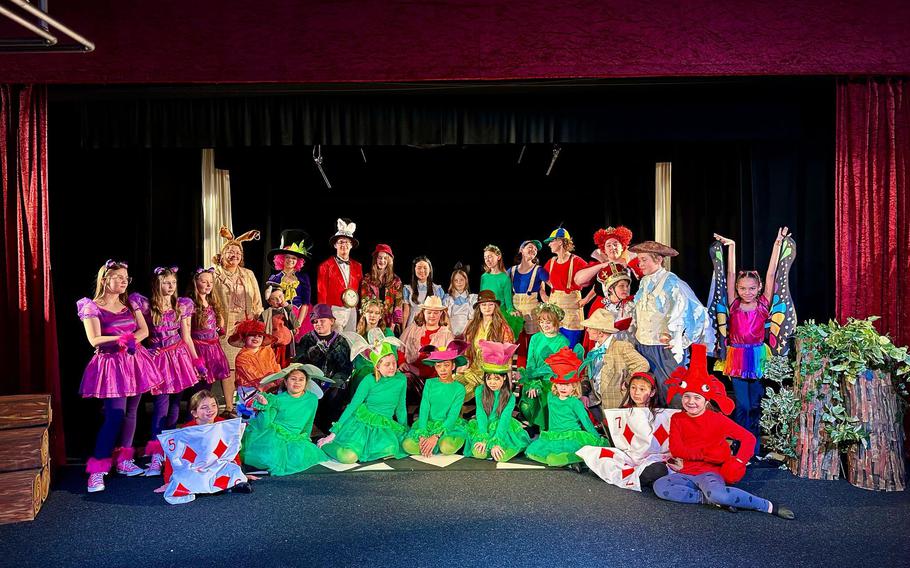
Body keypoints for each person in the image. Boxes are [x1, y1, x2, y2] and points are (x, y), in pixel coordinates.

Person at [653, 344, 794, 519]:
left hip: (710, 473)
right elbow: (677, 449)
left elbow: (748, 438)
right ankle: (705, 499)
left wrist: (738, 461)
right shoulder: (677, 419)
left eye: (697, 398)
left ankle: (766, 505)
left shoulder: (717, 419)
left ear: (706, 401)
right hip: (686, 471)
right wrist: (708, 454)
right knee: (660, 487)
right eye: (687, 396)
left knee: (718, 494)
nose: (691, 402)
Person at [77, 260, 163, 492]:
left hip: (134, 362)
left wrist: (132, 339)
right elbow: (94, 340)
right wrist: (122, 339)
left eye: (127, 277)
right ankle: (97, 470)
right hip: (111, 365)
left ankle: (124, 460)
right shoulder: (92, 307)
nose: (125, 281)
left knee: (132, 412)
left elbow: (144, 331)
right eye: (119, 277)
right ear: (105, 279)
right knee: (115, 415)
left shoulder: (129, 305)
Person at [712, 227, 790, 454]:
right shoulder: (733, 303)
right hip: (736, 356)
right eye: (743, 288)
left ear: (758, 289)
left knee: (756, 404)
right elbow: (730, 274)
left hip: (757, 356)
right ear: (737, 288)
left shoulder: (764, 303)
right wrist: (732, 247)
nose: (747, 292)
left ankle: (753, 447)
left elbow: (772, 274)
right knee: (742, 405)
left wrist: (777, 245)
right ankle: (740, 442)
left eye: (752, 288)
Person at [133, 267, 204, 476]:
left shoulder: (181, 305)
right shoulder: (146, 307)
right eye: (166, 282)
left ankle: (169, 451)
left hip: (179, 358)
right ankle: (156, 454)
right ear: (157, 284)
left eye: (173, 282)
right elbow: (139, 332)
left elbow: (187, 337)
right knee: (160, 408)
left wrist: (196, 362)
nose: (170, 286)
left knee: (175, 405)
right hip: (159, 358)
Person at [628, 240, 712, 406]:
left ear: (658, 259)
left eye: (644, 259)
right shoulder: (645, 282)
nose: (640, 264)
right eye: (639, 260)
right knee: (649, 392)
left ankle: (679, 427)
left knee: (672, 391)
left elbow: (697, 313)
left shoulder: (672, 282)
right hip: (643, 346)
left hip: (663, 349)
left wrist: (680, 339)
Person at [576, 372, 677, 491]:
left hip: (653, 458)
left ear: (652, 392)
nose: (636, 392)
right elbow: (618, 436)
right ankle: (642, 478)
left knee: (659, 469)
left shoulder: (662, 414)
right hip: (628, 457)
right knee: (592, 453)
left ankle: (637, 478)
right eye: (633, 388)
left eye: (642, 389)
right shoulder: (624, 411)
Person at [318, 340, 408, 464]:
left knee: (392, 449)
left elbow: (401, 407)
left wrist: (404, 428)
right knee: (349, 457)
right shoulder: (369, 380)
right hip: (362, 424)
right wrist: (334, 432)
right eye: (387, 364)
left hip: (384, 425)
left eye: (394, 363)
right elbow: (353, 406)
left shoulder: (401, 379)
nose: (392, 367)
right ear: (377, 366)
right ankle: (324, 445)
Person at [525, 347, 610, 468]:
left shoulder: (575, 402)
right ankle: (571, 462)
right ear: (555, 384)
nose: (563, 388)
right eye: (560, 384)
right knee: (532, 452)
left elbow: (585, 421)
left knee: (558, 457)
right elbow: (542, 388)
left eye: (567, 385)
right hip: (554, 435)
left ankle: (573, 460)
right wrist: (535, 386)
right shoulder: (551, 397)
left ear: (574, 386)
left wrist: (596, 438)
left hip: (572, 436)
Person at [241, 364, 332, 475]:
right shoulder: (277, 399)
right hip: (274, 436)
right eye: (293, 379)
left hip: (296, 437)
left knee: (301, 456)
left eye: (301, 379)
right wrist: (265, 408)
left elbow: (309, 421)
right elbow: (265, 425)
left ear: (306, 382)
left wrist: (306, 439)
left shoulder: (312, 399)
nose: (297, 382)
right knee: (272, 459)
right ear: (285, 382)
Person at [212, 226, 263, 415]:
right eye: (230, 251)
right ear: (222, 254)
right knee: (229, 367)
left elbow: (256, 298)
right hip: (225, 323)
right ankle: (230, 406)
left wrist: (257, 322)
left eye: (238, 252)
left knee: (247, 363)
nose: (234, 254)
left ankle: (247, 403)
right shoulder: (215, 273)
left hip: (246, 322)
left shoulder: (248, 274)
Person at [157, 390, 249, 495]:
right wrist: (168, 481)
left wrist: (239, 468)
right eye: (204, 407)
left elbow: (232, 449)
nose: (210, 410)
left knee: (233, 469)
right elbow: (173, 457)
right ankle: (224, 486)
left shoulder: (223, 425)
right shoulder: (186, 431)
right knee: (188, 476)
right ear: (194, 413)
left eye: (213, 405)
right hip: (197, 468)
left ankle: (233, 483)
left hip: (218, 465)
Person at [463, 341, 530, 462]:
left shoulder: (509, 396)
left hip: (502, 427)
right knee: (479, 453)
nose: (492, 383)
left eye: (497, 378)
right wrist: (483, 437)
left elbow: (504, 419)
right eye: (489, 378)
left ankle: (512, 447)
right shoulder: (479, 391)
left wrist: (497, 442)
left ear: (504, 378)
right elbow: (481, 414)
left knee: (501, 456)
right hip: (484, 425)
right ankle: (488, 447)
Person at [402, 341, 468, 457]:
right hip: (429, 424)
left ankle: (435, 444)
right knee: (407, 445)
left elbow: (452, 416)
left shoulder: (459, 388)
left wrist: (435, 436)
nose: (442, 370)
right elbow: (424, 408)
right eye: (438, 366)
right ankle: (429, 446)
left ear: (453, 366)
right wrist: (422, 434)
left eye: (446, 365)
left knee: (447, 447)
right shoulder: (430, 383)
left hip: (448, 426)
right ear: (435, 367)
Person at [297, 304, 354, 433]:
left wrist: (335, 382)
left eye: (322, 321)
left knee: (335, 395)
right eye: (315, 322)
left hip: (333, 383)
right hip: (311, 381)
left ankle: (331, 432)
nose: (318, 324)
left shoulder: (341, 341)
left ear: (332, 321)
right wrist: (314, 352)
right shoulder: (307, 339)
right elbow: (299, 363)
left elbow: (346, 367)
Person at [579, 309, 649, 413]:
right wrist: (584, 394)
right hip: (597, 405)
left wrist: (628, 382)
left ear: (600, 332)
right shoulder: (594, 351)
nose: (587, 330)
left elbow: (643, 365)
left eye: (590, 327)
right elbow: (586, 375)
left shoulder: (621, 347)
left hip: (618, 404)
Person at [518, 303, 572, 431]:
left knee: (546, 400)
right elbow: (530, 362)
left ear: (556, 323)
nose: (544, 325)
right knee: (526, 404)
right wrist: (532, 382)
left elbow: (556, 368)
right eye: (542, 322)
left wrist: (540, 382)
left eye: (548, 322)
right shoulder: (535, 338)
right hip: (534, 378)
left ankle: (545, 426)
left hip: (551, 381)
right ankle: (532, 423)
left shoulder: (563, 341)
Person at [541, 227, 595, 348]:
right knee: (554, 347)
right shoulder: (551, 262)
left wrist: (586, 299)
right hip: (554, 310)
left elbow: (598, 280)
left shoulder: (577, 261)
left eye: (551, 241)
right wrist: (543, 294)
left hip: (572, 313)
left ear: (560, 241)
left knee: (569, 348)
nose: (549, 244)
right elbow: (540, 278)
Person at [458, 290, 515, 399]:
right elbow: (468, 351)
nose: (487, 307)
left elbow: (508, 356)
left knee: (462, 393)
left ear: (495, 306)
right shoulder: (472, 326)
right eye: (483, 304)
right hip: (472, 371)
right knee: (453, 385)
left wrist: (509, 381)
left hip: (492, 374)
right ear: (479, 307)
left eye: (490, 304)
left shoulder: (503, 328)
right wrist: (462, 367)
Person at [399, 296, 455, 401]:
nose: (432, 316)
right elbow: (400, 347)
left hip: (434, 374)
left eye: (435, 313)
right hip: (411, 371)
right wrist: (402, 362)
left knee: (436, 389)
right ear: (423, 312)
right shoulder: (413, 328)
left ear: (441, 314)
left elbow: (450, 358)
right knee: (402, 380)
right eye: (429, 312)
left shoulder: (446, 334)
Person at [266, 229, 313, 343]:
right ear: (281, 258)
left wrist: (298, 324)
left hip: (300, 316)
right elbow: (270, 301)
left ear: (298, 261)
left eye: (294, 258)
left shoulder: (303, 278)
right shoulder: (274, 278)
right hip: (279, 317)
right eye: (287, 257)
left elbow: (306, 303)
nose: (290, 260)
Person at [317, 218, 363, 332]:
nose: (344, 245)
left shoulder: (358, 266)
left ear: (351, 245)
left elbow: (361, 290)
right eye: (341, 242)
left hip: (352, 310)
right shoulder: (325, 266)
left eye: (347, 242)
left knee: (350, 342)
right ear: (335, 245)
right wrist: (324, 315)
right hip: (333, 310)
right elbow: (321, 293)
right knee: (334, 343)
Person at [188, 267, 230, 392]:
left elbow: (220, 319)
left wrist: (218, 328)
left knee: (208, 384)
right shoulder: (190, 303)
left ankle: (205, 408)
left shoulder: (212, 301)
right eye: (204, 281)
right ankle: (195, 409)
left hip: (212, 348)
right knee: (198, 385)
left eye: (211, 282)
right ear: (195, 283)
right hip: (198, 348)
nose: (208, 285)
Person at [230, 318, 280, 419]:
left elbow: (275, 366)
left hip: (270, 387)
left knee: (268, 417)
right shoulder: (242, 357)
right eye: (252, 335)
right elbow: (253, 375)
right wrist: (273, 384)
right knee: (250, 419)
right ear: (244, 338)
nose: (256, 338)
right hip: (249, 391)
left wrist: (280, 379)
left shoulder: (267, 350)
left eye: (260, 336)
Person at [509, 239, 550, 361]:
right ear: (521, 250)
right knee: (519, 345)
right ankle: (521, 375)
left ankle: (535, 372)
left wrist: (550, 302)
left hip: (532, 310)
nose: (533, 250)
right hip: (516, 311)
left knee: (534, 342)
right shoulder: (511, 271)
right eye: (530, 247)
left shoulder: (539, 270)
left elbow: (551, 286)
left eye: (535, 249)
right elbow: (504, 290)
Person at [581, 263, 636, 351]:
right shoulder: (601, 309)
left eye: (627, 286)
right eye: (621, 286)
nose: (625, 289)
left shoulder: (631, 306)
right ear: (610, 288)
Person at [350, 298, 396, 392]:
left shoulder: (387, 333)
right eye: (370, 312)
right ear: (364, 313)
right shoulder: (358, 335)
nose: (373, 316)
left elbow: (394, 355)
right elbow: (355, 361)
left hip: (383, 370)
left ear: (380, 316)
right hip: (363, 371)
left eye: (377, 313)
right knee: (364, 379)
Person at [480, 244, 524, 339]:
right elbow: (481, 297)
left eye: (490, 256)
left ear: (498, 257)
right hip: (486, 311)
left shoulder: (504, 278)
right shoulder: (484, 277)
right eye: (485, 257)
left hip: (499, 312)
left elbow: (508, 302)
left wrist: (511, 310)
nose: (487, 260)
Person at [359, 243, 404, 334]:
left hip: (389, 322)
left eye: (385, 258)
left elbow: (398, 305)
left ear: (389, 260)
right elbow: (365, 302)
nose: (382, 260)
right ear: (375, 259)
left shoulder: (396, 281)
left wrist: (394, 324)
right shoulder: (367, 280)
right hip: (371, 321)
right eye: (379, 257)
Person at [260, 283, 298, 367]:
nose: (279, 300)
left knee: (285, 365)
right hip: (273, 345)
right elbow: (261, 328)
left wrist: (289, 309)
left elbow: (295, 325)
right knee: (273, 365)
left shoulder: (287, 311)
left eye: (280, 296)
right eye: (274, 299)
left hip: (286, 345)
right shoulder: (265, 314)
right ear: (269, 302)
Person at [402, 256, 445, 328]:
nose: (422, 271)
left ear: (430, 269)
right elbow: (406, 312)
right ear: (414, 269)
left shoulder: (437, 289)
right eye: (419, 268)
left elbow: (442, 312)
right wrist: (403, 329)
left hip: (430, 323)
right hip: (413, 324)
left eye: (425, 268)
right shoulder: (408, 289)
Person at [443, 262, 476, 338]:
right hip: (450, 332)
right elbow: (446, 318)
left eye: (461, 280)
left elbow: (471, 319)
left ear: (466, 281)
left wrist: (464, 333)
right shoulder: (448, 299)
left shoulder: (472, 299)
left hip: (467, 332)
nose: (459, 283)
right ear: (452, 282)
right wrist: (450, 333)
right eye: (456, 280)